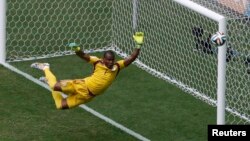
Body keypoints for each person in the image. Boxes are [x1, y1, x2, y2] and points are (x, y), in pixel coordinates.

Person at [31, 32, 144, 110]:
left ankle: (47, 81)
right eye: (108, 60)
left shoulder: (117, 67)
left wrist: (138, 45)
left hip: (87, 96)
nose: (111, 62)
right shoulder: (97, 62)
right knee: (55, 86)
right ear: (103, 59)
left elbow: (131, 58)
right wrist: (77, 50)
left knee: (60, 105)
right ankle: (45, 67)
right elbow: (84, 56)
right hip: (81, 86)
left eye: (112, 60)